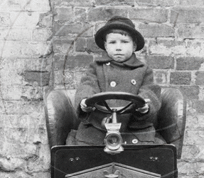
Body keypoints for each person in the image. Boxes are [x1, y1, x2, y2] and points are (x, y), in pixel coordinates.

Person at [66, 16, 165, 146]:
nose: (118, 47)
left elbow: (149, 91)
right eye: (113, 43)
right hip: (99, 128)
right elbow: (88, 85)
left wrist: (144, 106)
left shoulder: (142, 70)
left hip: (133, 128)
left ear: (134, 46)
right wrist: (85, 101)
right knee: (80, 153)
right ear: (106, 46)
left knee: (150, 155)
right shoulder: (96, 67)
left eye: (124, 42)